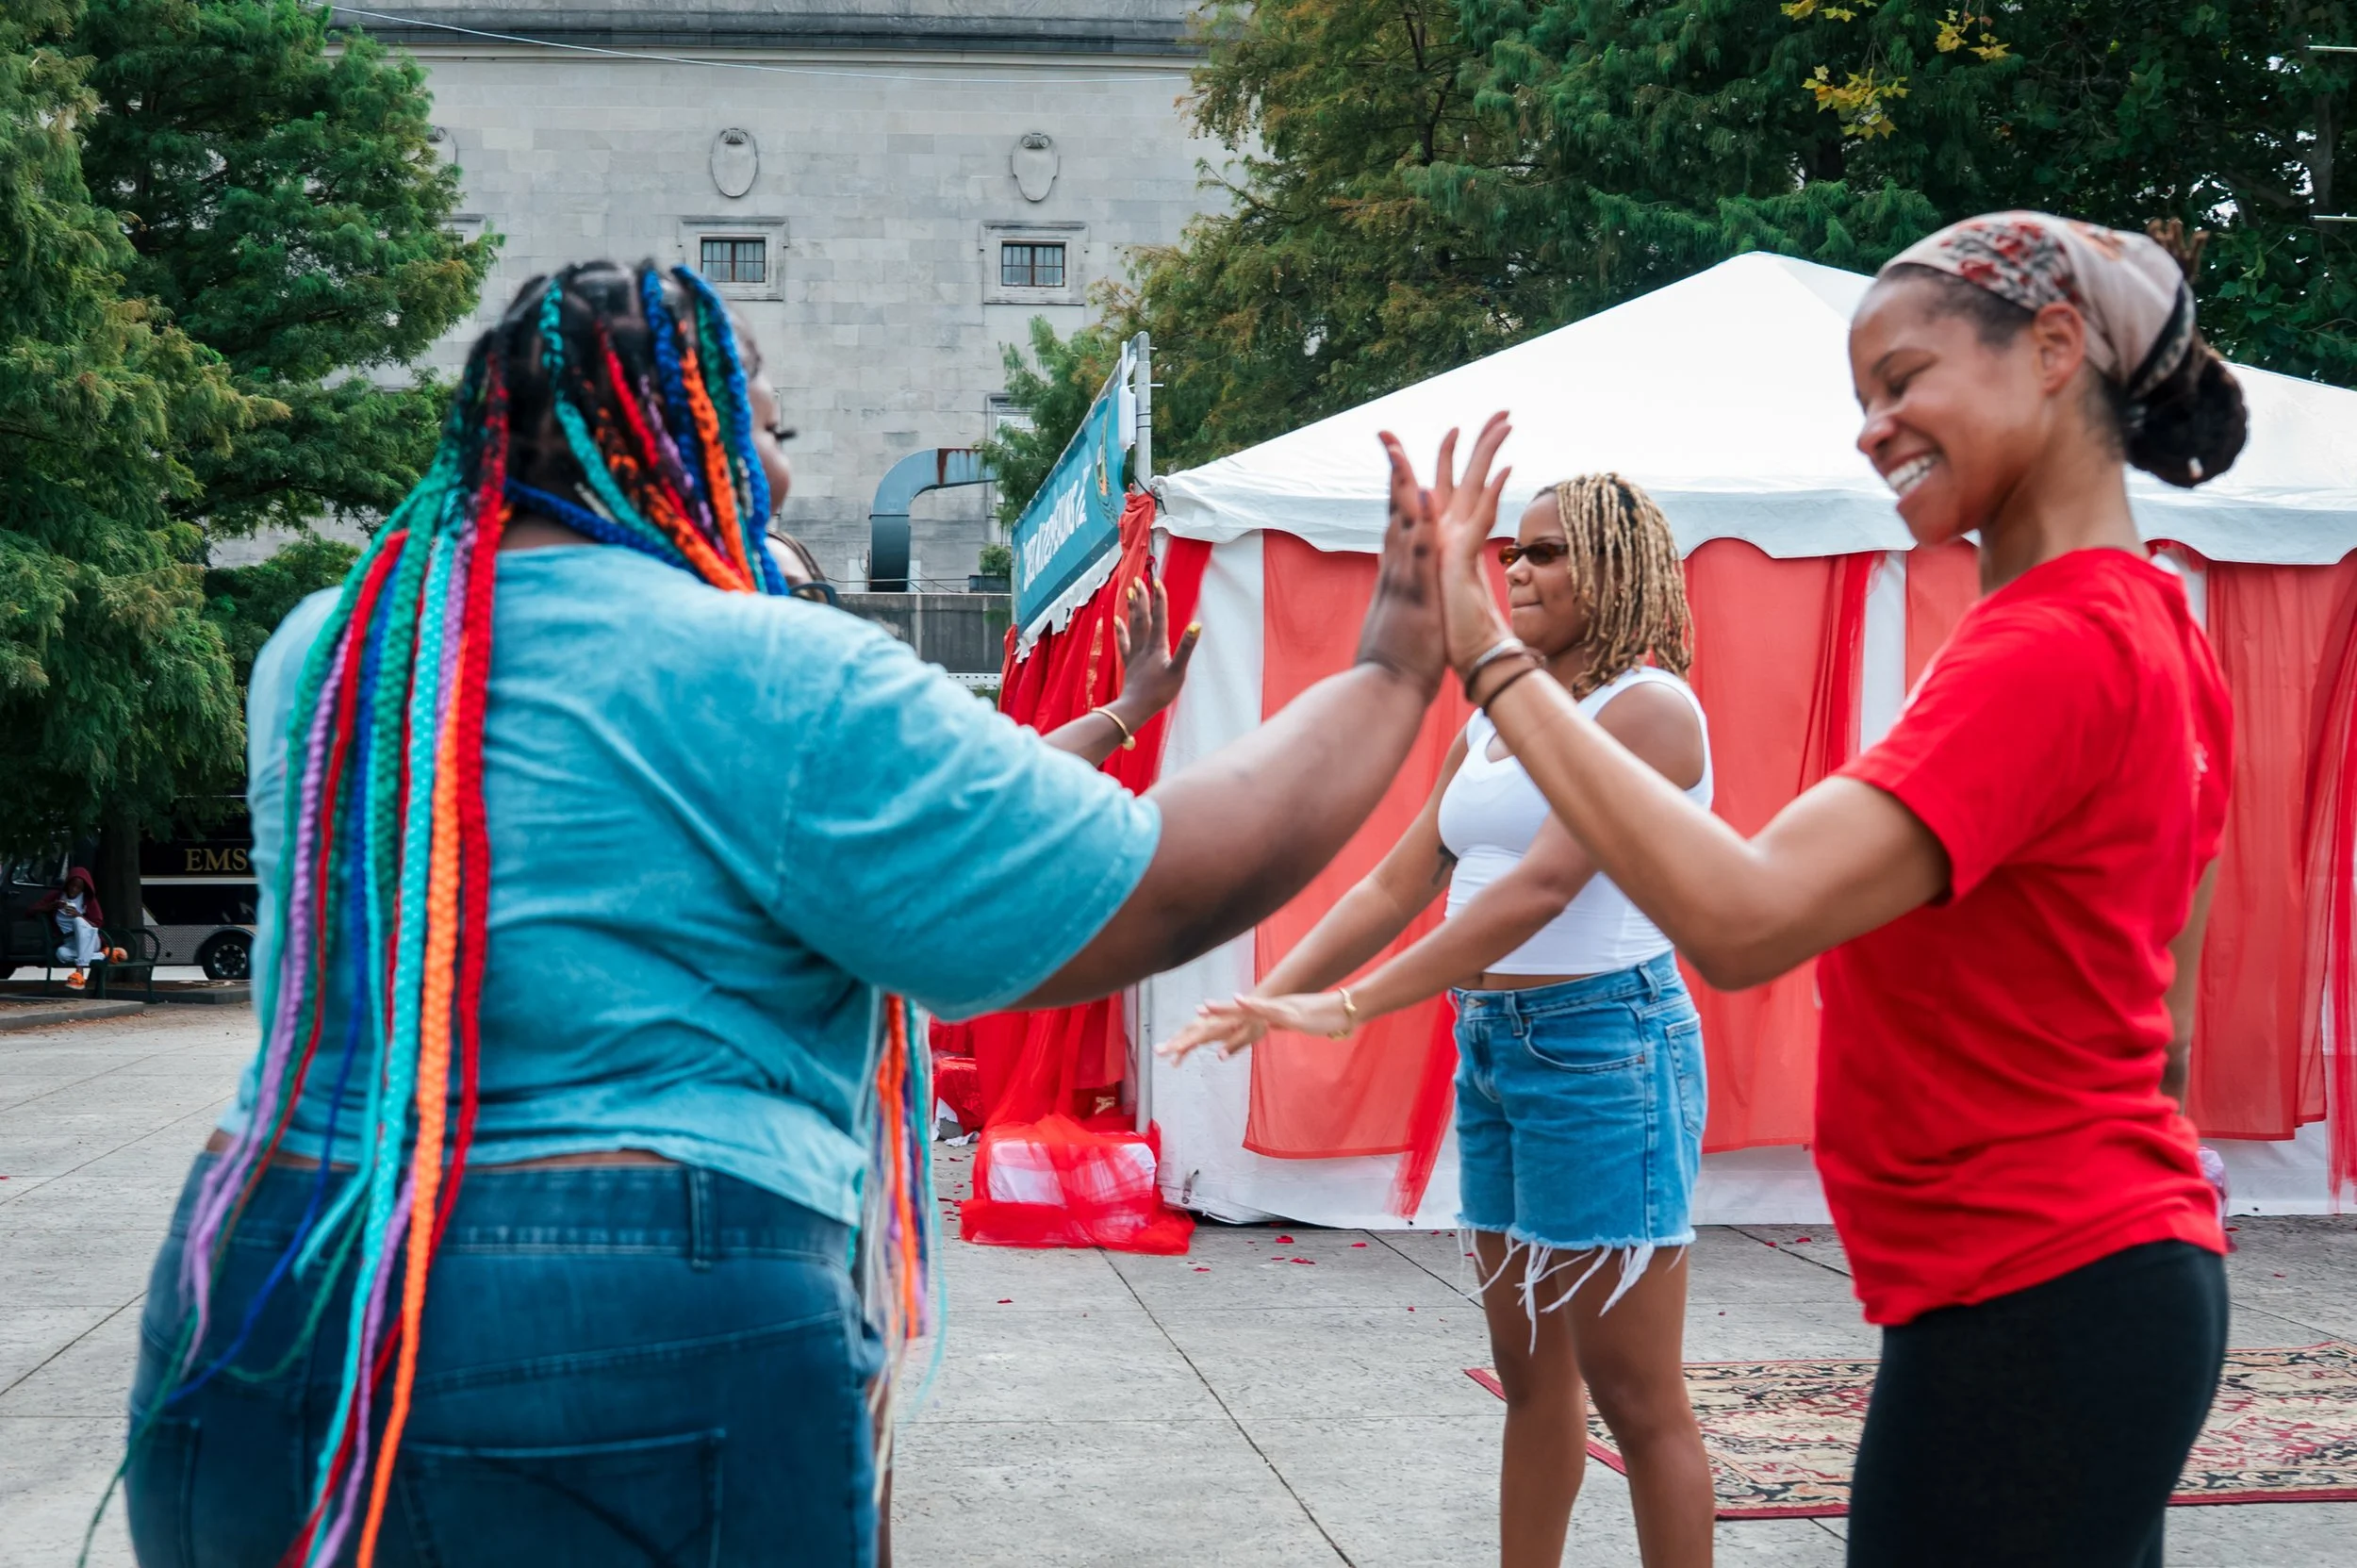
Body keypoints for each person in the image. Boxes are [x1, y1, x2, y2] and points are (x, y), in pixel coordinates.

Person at [119, 258, 1448, 1568]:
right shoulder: (765, 666)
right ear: (683, 438)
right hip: (640, 1299)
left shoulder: (328, 646)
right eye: (764, 423)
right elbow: (1154, 889)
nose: (784, 467)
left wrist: (1121, 715)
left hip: (270, 1269)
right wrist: (1391, 665)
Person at [1415, 213, 2248, 1568]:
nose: (1874, 427)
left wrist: (1491, 660)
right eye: (1864, 395)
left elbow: (1742, 918)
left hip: (2034, 1286)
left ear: (2051, 349)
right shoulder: (2154, 624)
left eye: (1905, 377)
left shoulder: (2046, 649)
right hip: (2091, 1273)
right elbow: (2167, 1032)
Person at [1163, 474, 1715, 1567]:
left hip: (1607, 1046)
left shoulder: (1647, 710)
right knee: (1528, 1374)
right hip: (1498, 1051)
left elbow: (1540, 891)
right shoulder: (1496, 724)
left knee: (1634, 1394)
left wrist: (1354, 1002)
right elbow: (1399, 880)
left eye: (1550, 554)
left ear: (1617, 569)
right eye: (1514, 553)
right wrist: (1280, 995)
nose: (1517, 571)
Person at [33, 866, 121, 991]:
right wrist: (51, 906)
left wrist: (79, 915)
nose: (74, 889)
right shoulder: (57, 896)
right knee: (61, 954)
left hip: (91, 940)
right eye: (72, 885)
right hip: (71, 943)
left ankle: (79, 971)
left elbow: (97, 925)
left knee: (78, 921)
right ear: (67, 884)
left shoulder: (87, 900)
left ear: (83, 889)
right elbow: (32, 910)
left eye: (78, 887)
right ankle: (102, 955)